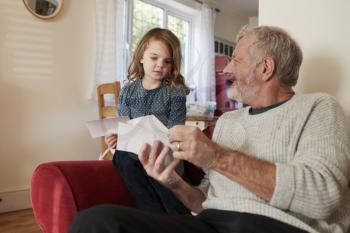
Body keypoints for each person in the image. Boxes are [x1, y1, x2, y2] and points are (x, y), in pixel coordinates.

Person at [69, 26, 350, 233]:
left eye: (236, 59)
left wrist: (217, 156)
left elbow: (322, 196)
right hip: (210, 224)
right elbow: (205, 202)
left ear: (265, 68)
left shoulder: (319, 107)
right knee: (94, 222)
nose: (225, 68)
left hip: (274, 226)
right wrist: (172, 182)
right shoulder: (228, 121)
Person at [104, 28, 190, 214]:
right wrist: (115, 138)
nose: (160, 65)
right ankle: (152, 217)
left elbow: (175, 132)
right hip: (134, 153)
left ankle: (179, 219)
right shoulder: (128, 91)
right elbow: (124, 126)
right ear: (141, 56)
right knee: (122, 156)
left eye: (167, 61)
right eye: (154, 58)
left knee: (155, 165)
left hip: (164, 153)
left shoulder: (175, 92)